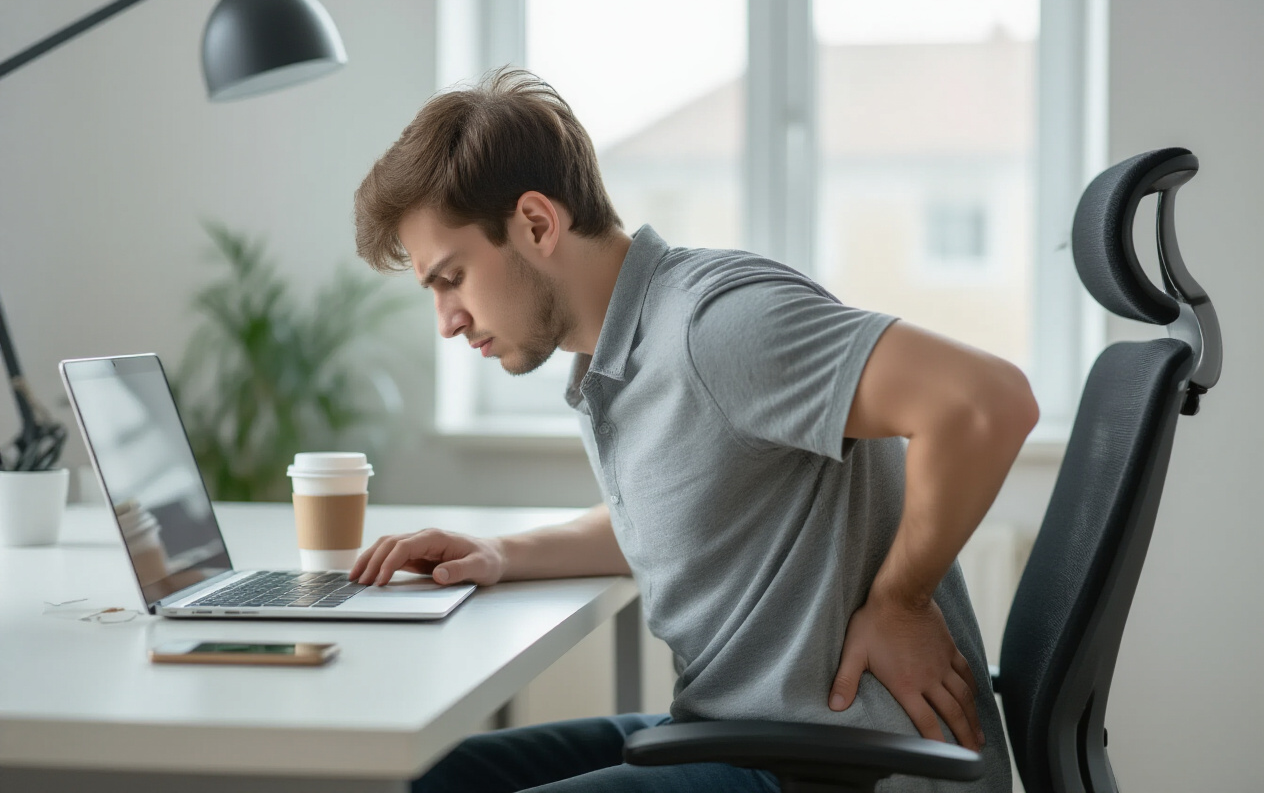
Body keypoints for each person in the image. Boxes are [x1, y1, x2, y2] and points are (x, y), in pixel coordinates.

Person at [349, 68, 1036, 793]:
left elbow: (987, 402)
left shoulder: (714, 325)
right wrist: (497, 552)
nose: (447, 320)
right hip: (739, 734)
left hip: (831, 764)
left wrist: (902, 602)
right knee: (428, 780)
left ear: (537, 224)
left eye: (451, 278)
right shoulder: (619, 356)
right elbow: (691, 516)